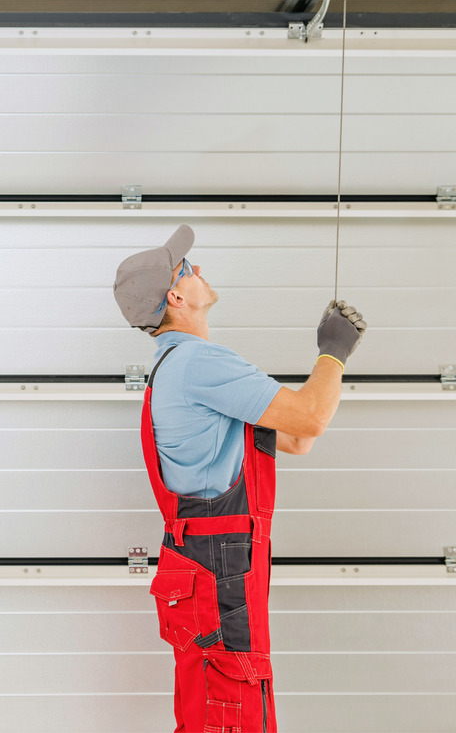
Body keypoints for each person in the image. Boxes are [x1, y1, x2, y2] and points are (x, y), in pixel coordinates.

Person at [112, 224, 365, 733]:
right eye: (188, 268)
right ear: (177, 295)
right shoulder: (200, 362)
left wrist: (325, 372)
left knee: (213, 702)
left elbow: (296, 438)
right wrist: (333, 353)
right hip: (220, 565)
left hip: (205, 564)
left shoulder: (177, 367)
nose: (199, 270)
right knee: (233, 706)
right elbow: (311, 419)